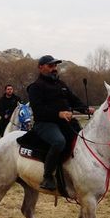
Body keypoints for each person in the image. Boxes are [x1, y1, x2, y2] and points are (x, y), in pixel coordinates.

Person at [27, 55, 94, 191]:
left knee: (82, 138)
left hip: (64, 123)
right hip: (45, 124)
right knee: (59, 142)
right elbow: (39, 110)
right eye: (50, 66)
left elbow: (74, 100)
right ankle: (48, 177)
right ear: (41, 67)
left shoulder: (61, 84)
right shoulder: (35, 87)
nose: (54, 68)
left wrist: (85, 109)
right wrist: (59, 114)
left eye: (55, 66)